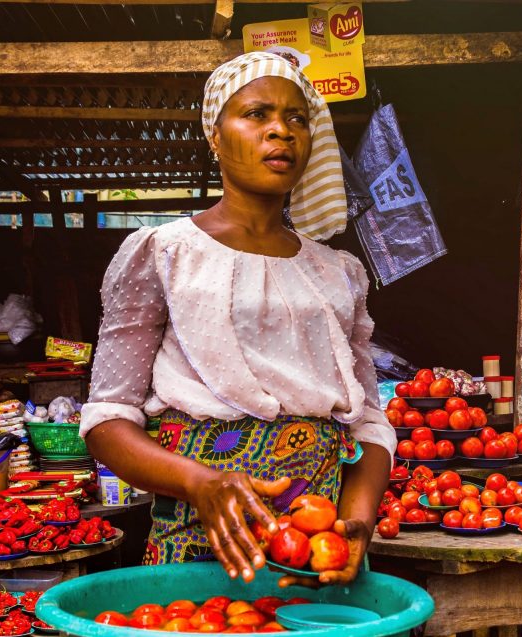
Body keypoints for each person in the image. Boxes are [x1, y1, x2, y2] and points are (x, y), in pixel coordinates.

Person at [81, 52, 396, 586]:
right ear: (215, 135)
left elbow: (367, 422)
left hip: (317, 549)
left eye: (298, 118)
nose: (281, 130)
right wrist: (201, 484)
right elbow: (108, 419)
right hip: (199, 537)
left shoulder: (338, 272)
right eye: (257, 114)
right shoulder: (163, 253)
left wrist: (356, 524)